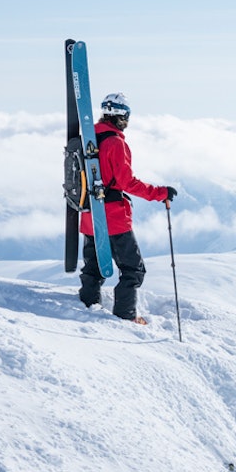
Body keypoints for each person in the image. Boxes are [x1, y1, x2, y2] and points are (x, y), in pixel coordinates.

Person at [78, 93, 177, 324]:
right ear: (123, 116)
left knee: (93, 267)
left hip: (88, 214)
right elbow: (126, 182)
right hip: (113, 217)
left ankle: (87, 304)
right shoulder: (115, 143)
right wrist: (160, 193)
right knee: (133, 269)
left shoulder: (88, 137)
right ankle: (126, 316)